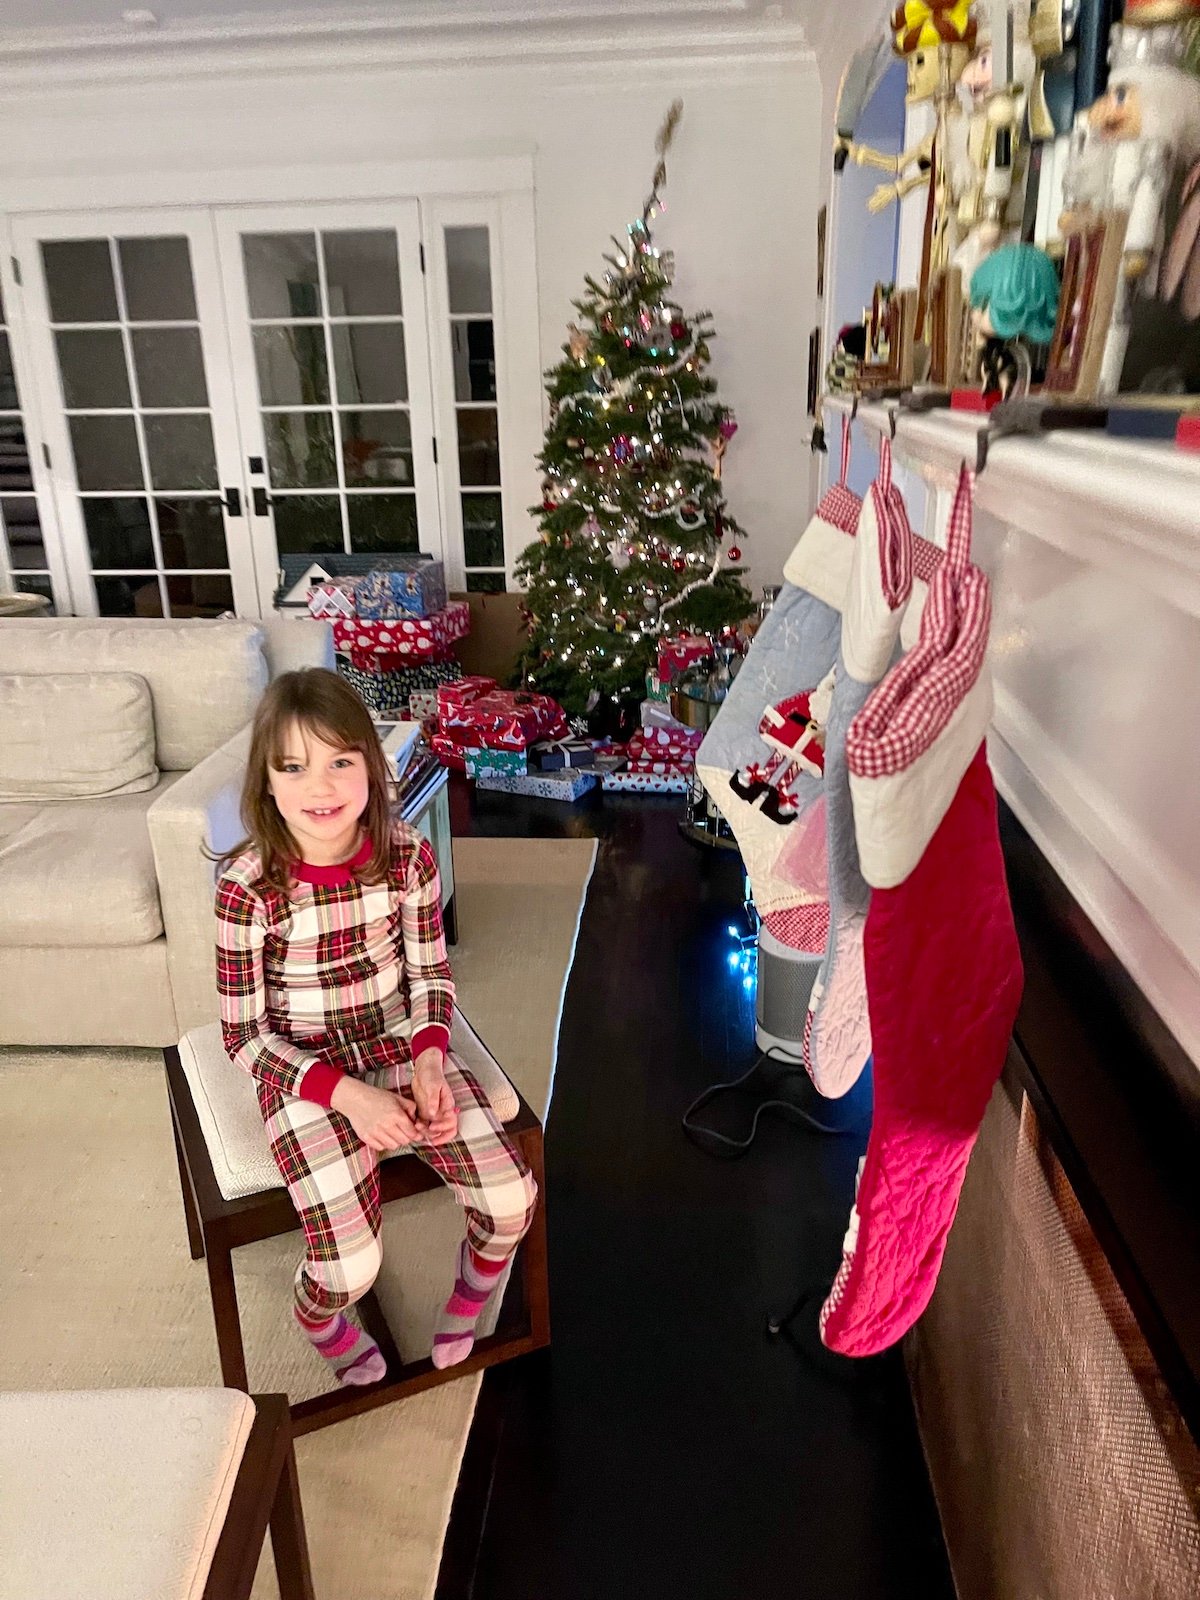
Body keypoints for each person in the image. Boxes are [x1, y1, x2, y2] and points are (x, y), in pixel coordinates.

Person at [214, 667, 537, 1386]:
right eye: (293, 767)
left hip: (397, 1038)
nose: (320, 788)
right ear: (266, 782)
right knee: (350, 1266)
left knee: (513, 1200)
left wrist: (427, 1064)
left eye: (339, 762)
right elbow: (243, 1037)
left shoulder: (408, 855)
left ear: (371, 765)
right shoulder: (247, 887)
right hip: (303, 1066)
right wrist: (352, 1098)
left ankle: (472, 1283)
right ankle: (317, 1316)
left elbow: (430, 977)